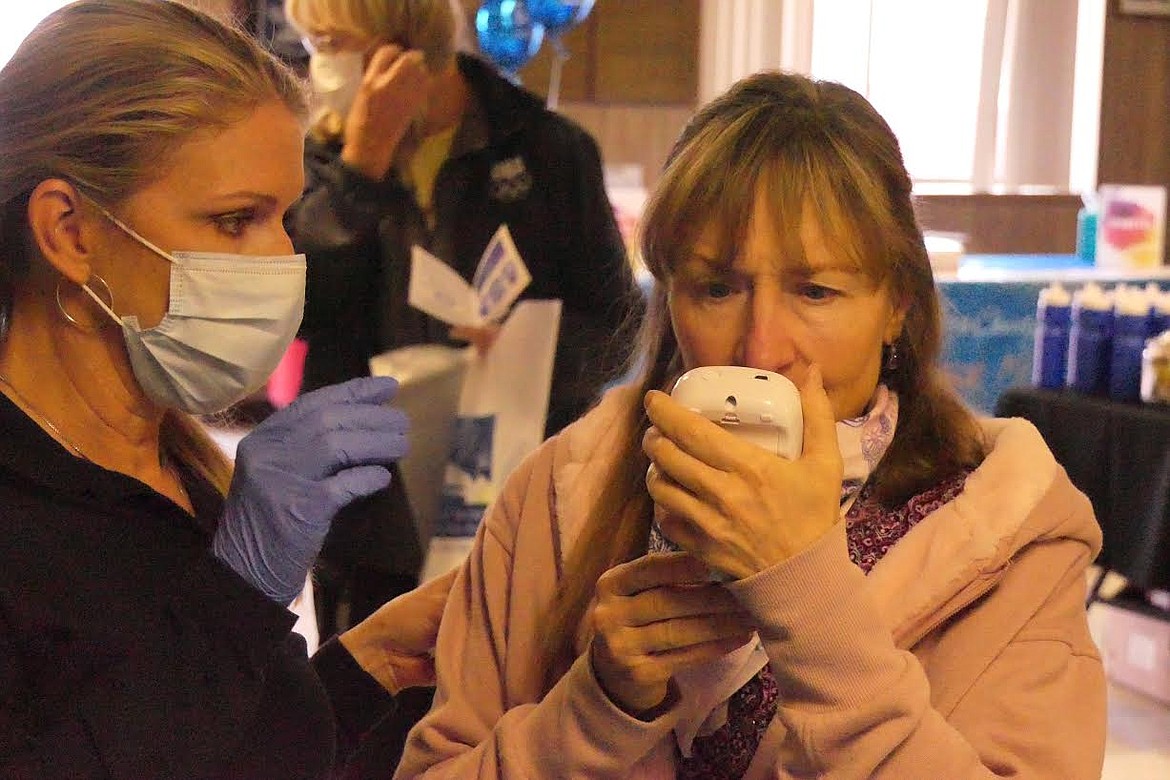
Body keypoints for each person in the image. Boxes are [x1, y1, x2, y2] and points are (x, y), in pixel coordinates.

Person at [395, 71, 1108, 778]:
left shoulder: (1012, 536)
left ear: (897, 304)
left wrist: (811, 604)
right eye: (716, 288)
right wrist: (596, 708)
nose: (761, 347)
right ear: (668, 299)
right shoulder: (560, 491)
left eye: (816, 291)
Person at [0, 2, 453, 777]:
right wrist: (239, 594)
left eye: (284, 219)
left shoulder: (180, 468)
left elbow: (228, 745)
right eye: (236, 220)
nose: (282, 262)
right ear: (71, 232)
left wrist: (369, 665)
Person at [280, 0, 644, 635]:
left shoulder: (548, 151)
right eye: (313, 45)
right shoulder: (316, 160)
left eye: (334, 43)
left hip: (517, 498)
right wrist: (361, 169)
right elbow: (292, 307)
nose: (320, 68)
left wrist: (528, 354)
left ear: (404, 48)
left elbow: (618, 326)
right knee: (369, 711)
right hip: (368, 513)